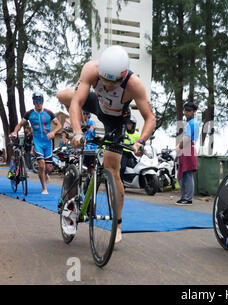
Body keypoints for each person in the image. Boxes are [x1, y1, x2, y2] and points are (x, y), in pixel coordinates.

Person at [56, 45, 156, 244]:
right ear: (99, 72)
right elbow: (76, 102)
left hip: (115, 120)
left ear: (123, 75)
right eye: (104, 81)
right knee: (63, 95)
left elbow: (150, 118)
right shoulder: (91, 69)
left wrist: (140, 141)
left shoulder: (134, 84)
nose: (108, 86)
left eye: (113, 83)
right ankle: (77, 124)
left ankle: (117, 224)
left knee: (113, 169)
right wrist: (77, 132)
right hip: (96, 104)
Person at [10, 92, 62, 194]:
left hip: (47, 143)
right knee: (41, 164)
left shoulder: (49, 113)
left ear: (42, 101)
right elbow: (20, 124)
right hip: (37, 142)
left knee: (49, 168)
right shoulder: (29, 114)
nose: (38, 103)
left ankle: (45, 174)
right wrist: (15, 131)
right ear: (33, 102)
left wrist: (53, 132)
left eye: (39, 101)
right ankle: (44, 188)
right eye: (36, 101)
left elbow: (59, 125)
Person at [176, 102, 200, 205]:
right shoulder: (192, 122)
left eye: (189, 111)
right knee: (184, 174)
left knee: (187, 174)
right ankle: (184, 197)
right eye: (185, 110)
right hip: (188, 148)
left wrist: (178, 147)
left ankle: (187, 198)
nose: (186, 113)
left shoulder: (192, 123)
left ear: (194, 112)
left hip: (188, 148)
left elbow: (187, 138)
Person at [120, 115, 141, 179]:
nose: (128, 125)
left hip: (133, 153)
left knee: (138, 167)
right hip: (123, 152)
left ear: (133, 125)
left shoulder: (137, 134)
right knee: (122, 167)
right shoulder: (123, 132)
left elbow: (140, 144)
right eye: (127, 123)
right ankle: (121, 181)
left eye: (130, 124)